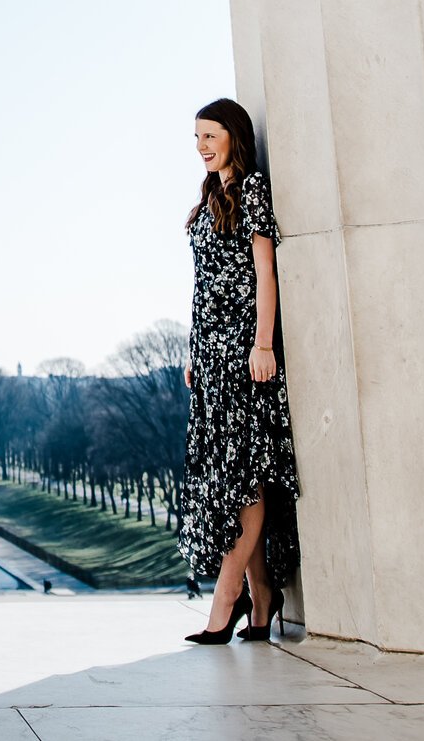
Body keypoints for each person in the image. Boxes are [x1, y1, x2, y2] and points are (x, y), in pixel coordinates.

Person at [179, 96, 299, 645]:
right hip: (209, 354)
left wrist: (263, 344)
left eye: (211, 136)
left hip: (243, 353)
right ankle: (263, 595)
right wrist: (191, 351)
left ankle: (226, 600)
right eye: (197, 138)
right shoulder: (209, 196)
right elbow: (203, 283)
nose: (202, 147)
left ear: (233, 135)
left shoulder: (250, 189)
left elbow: (265, 272)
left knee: (246, 478)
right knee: (230, 476)